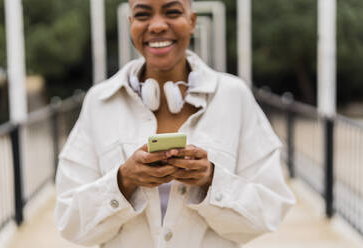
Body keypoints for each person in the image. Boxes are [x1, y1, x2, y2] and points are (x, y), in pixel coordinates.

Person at [54, 0, 295, 247]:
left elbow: (269, 212)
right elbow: (70, 223)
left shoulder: (234, 96)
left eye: (172, 12)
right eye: (143, 15)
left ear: (192, 21)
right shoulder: (99, 102)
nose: (157, 25)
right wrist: (123, 181)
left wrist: (212, 181)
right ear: (131, 24)